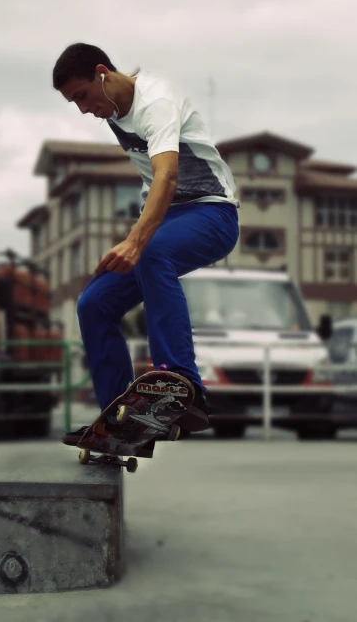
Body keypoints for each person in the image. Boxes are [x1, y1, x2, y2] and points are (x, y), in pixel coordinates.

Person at [52, 43, 240, 449]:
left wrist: (135, 241)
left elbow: (166, 178)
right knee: (93, 303)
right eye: (74, 103)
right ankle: (118, 420)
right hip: (168, 222)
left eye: (82, 96)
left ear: (103, 73)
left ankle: (183, 385)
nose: (84, 110)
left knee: (153, 253)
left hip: (212, 213)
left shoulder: (156, 101)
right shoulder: (112, 111)